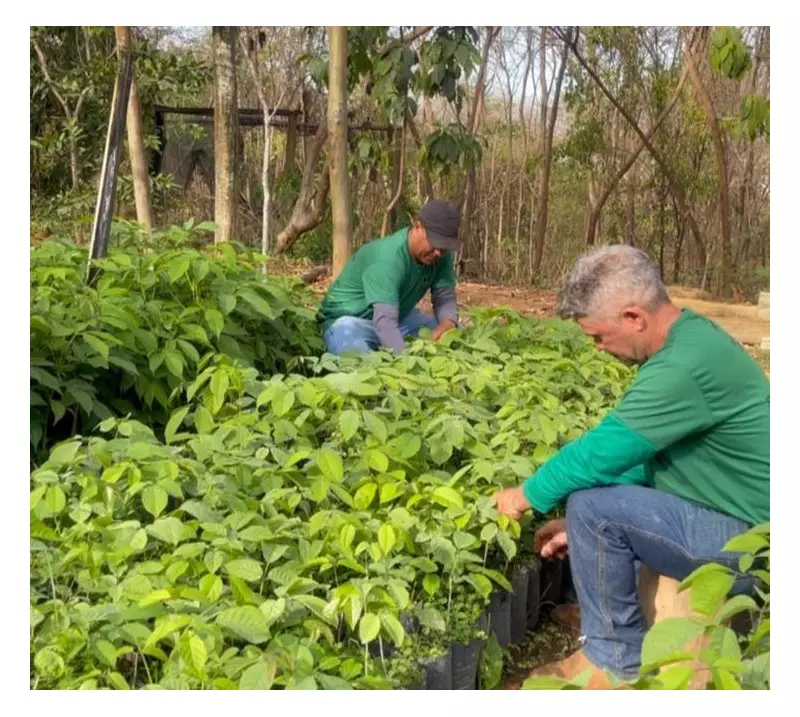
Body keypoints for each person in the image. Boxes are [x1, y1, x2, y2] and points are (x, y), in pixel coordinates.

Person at [492, 244, 770, 689]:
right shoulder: (692, 336)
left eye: (599, 337)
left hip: (754, 547)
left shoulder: (681, 368)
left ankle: (612, 662)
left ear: (633, 317)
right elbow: (649, 460)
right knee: (592, 512)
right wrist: (582, 529)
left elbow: (600, 454)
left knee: (592, 507)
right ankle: (612, 624)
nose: (599, 349)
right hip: (741, 521)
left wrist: (524, 496)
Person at [318, 199, 460, 355]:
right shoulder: (389, 259)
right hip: (351, 322)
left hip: (398, 317)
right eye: (435, 243)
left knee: (457, 336)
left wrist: (447, 325)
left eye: (444, 247)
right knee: (360, 360)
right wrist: (405, 363)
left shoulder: (440, 256)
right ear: (418, 227)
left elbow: (444, 298)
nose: (438, 252)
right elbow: (384, 322)